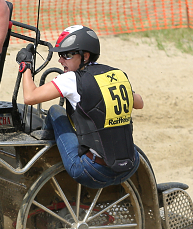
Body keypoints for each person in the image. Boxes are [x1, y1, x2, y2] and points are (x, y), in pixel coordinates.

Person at [18, 25, 144, 189]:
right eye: (60, 55)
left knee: (56, 111)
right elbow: (139, 103)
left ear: (85, 56)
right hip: (130, 167)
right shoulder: (116, 73)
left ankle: (45, 147)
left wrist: (25, 65)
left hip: (92, 171)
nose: (60, 60)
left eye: (67, 55)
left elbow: (29, 97)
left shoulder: (71, 79)